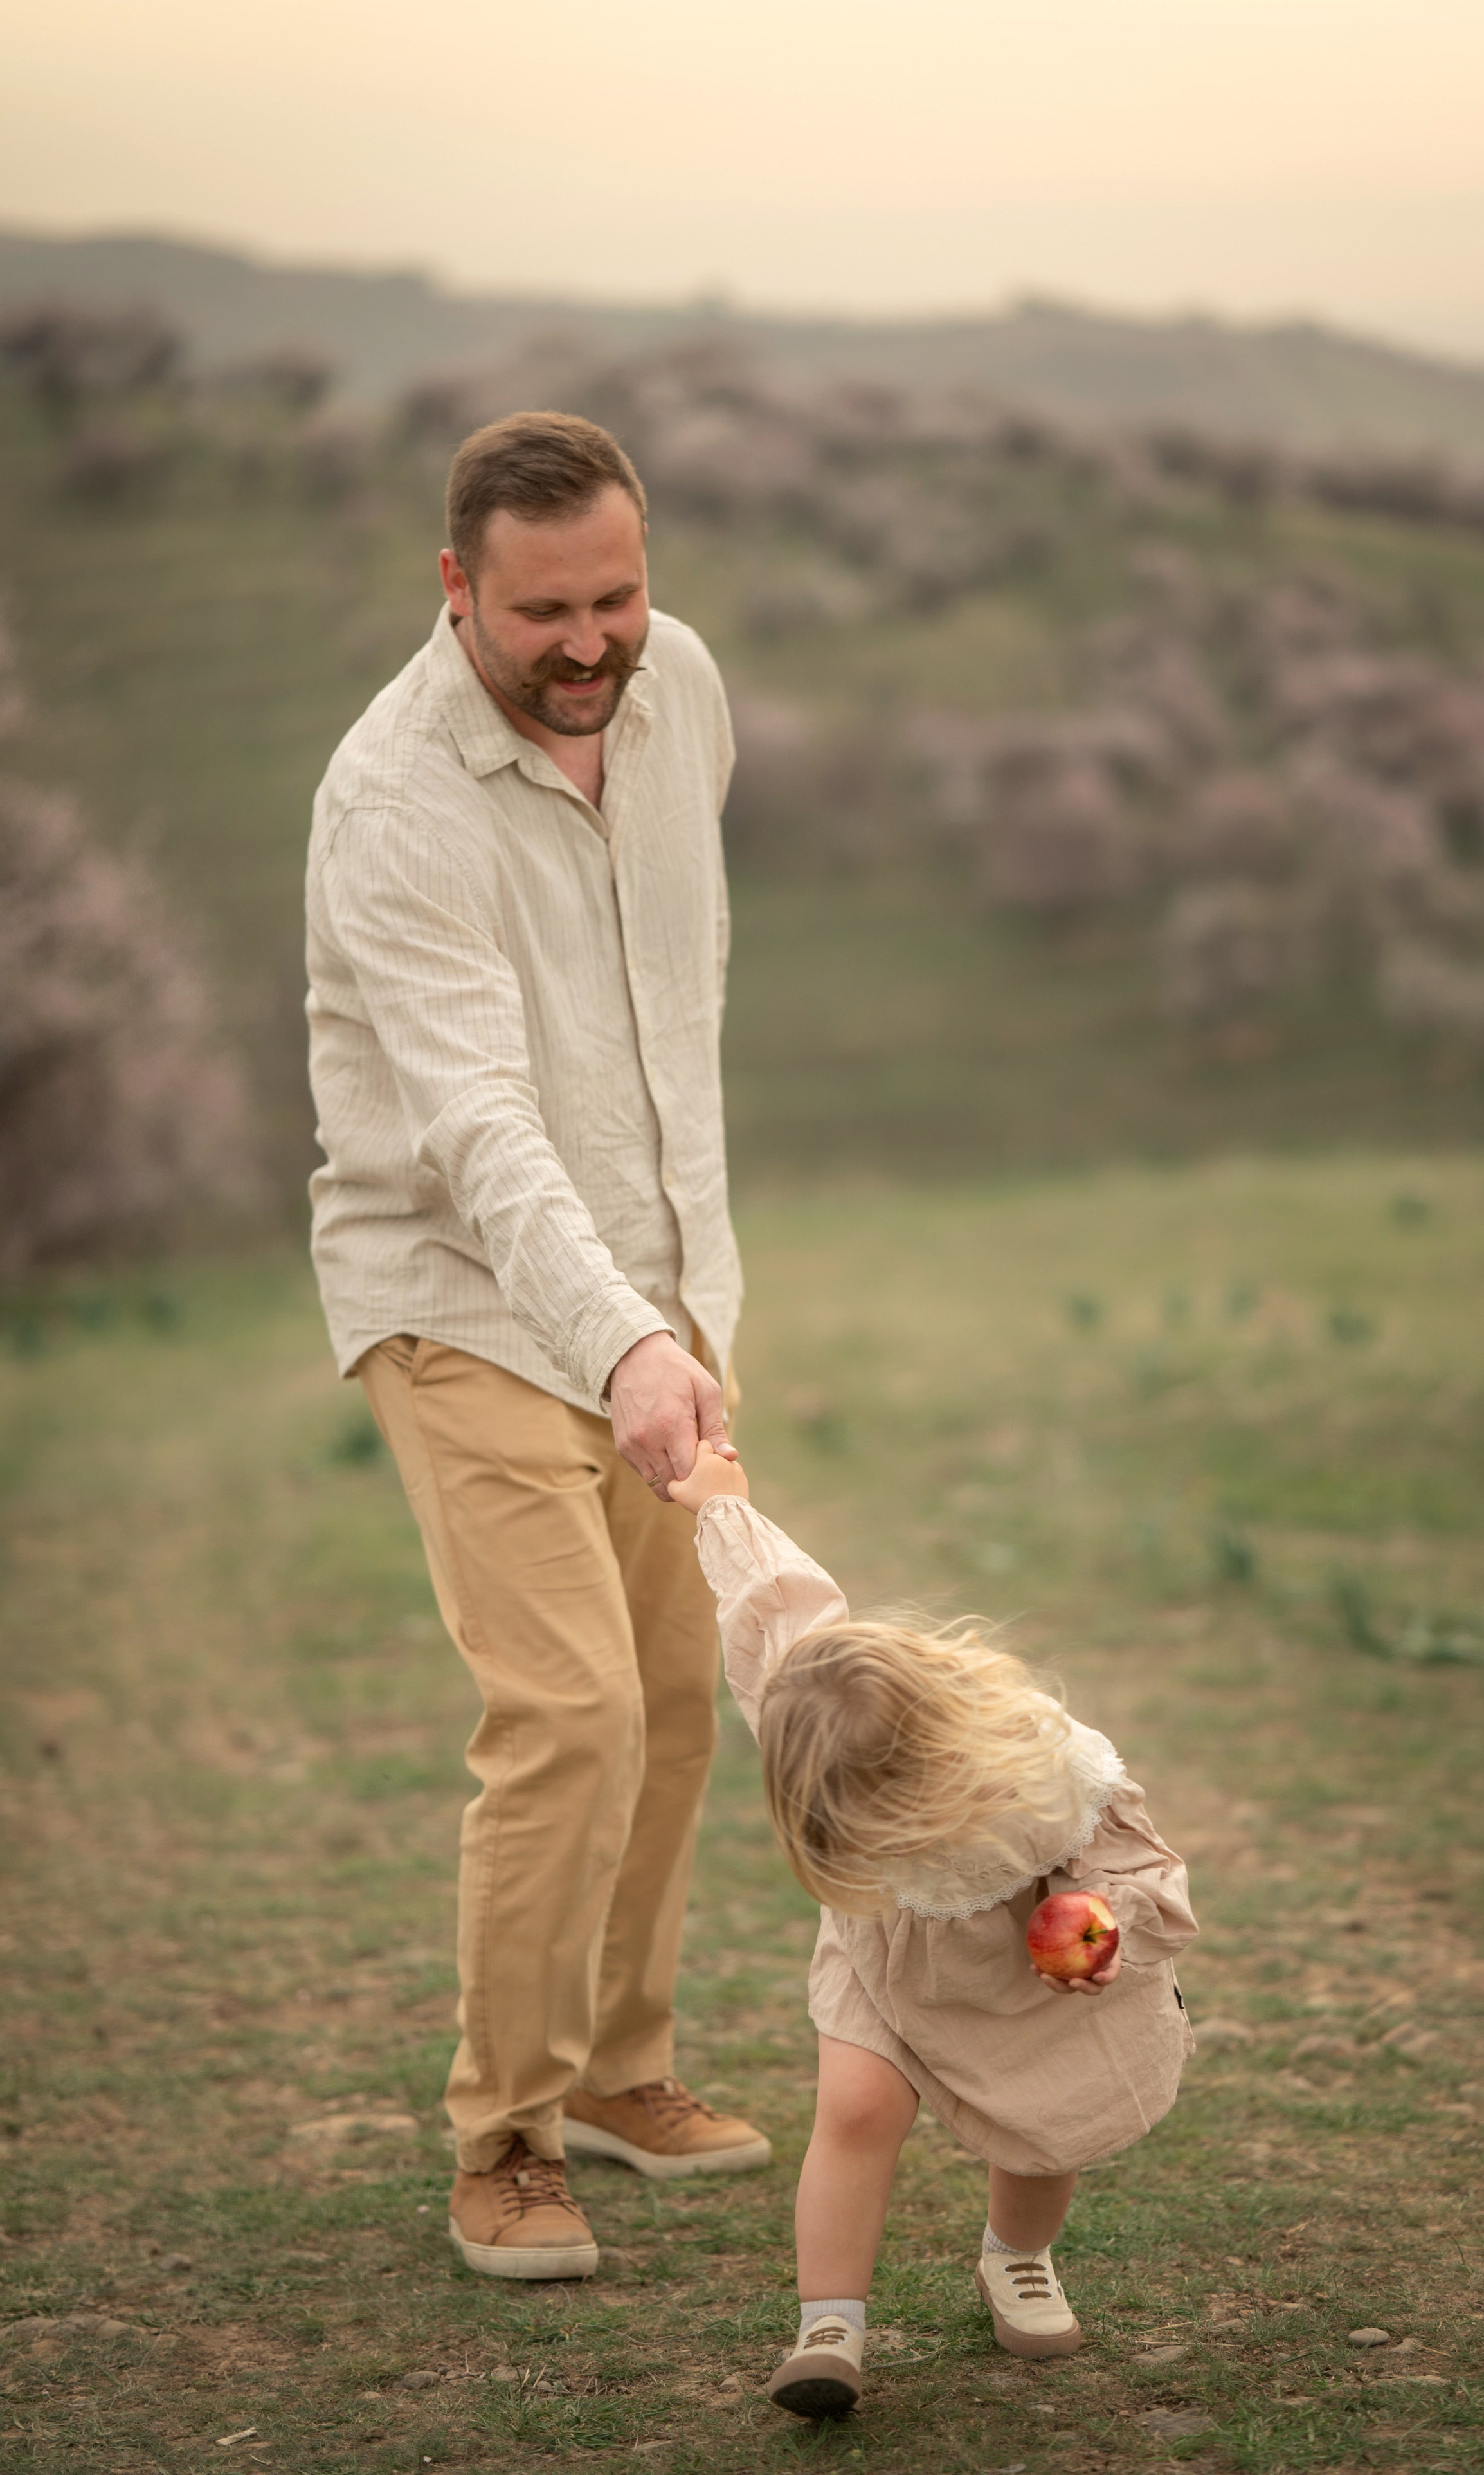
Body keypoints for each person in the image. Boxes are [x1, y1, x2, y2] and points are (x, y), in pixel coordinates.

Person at [304, 409, 769, 2285]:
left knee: (674, 1702)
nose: (590, 645)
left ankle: (620, 2071)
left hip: (665, 1293)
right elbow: (484, 1124)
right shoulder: (393, 799)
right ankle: (502, 2133)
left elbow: (665, 1013)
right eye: (544, 614)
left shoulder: (685, 699)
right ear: (456, 589)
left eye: (619, 598)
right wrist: (618, 1342)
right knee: (566, 1709)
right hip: (465, 1297)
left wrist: (680, 1317)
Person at [666, 1439, 1199, 2418]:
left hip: (1015, 1961)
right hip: (880, 1954)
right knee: (858, 2109)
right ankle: (831, 2324)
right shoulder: (809, 1700)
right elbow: (773, 1598)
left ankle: (1019, 2259)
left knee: (1041, 2120)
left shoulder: (1038, 1766)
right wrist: (720, 1502)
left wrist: (1102, 1924)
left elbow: (1131, 1859)